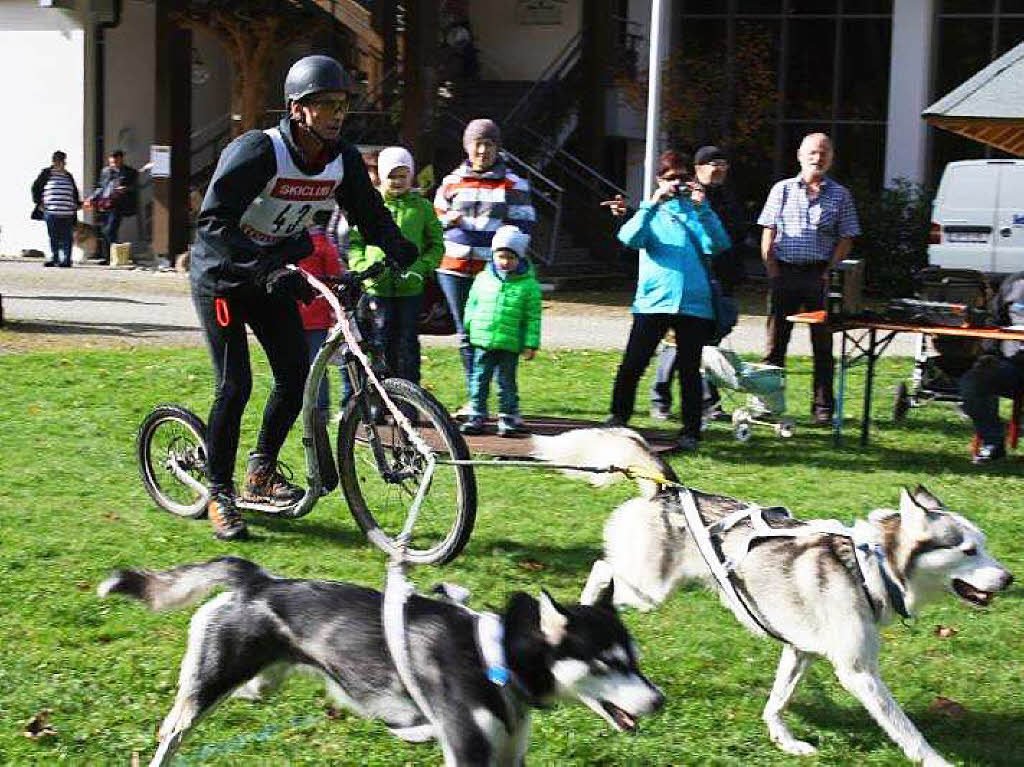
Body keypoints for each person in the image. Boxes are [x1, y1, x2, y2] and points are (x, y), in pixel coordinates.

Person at [190, 54, 418, 540]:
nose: (337, 114)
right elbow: (212, 224)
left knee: (295, 378)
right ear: (297, 109)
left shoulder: (343, 159)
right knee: (236, 386)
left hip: (275, 274)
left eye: (342, 105)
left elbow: (370, 213)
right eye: (325, 105)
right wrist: (263, 269)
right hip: (225, 278)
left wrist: (398, 246)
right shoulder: (258, 151)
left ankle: (260, 472)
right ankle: (219, 492)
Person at [606, 150, 731, 452]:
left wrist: (704, 211)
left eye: (682, 178)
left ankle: (691, 430)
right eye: (670, 178)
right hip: (653, 301)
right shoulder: (652, 211)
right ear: (660, 180)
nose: (677, 184)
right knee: (633, 363)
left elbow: (719, 244)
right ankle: (618, 418)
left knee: (689, 370)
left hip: (694, 304)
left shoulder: (698, 211)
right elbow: (629, 238)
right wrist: (652, 203)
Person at [757, 132, 860, 425]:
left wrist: (830, 271)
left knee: (823, 347)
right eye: (813, 152)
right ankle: (768, 405)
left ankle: (823, 409)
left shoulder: (841, 195)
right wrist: (772, 271)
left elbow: (847, 236)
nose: (818, 158)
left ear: (831, 158)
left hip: (820, 277)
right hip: (784, 273)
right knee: (775, 345)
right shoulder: (782, 190)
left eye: (824, 153)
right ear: (800, 156)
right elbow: (768, 230)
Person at [434, 118, 535, 409]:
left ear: (497, 148)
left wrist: (506, 255)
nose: (482, 151)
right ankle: (475, 397)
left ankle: (498, 396)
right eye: (477, 144)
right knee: (466, 334)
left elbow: (524, 226)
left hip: (491, 273)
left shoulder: (513, 183)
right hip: (452, 268)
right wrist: (445, 221)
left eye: (488, 145)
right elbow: (435, 219)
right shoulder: (452, 180)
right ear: (467, 147)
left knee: (488, 335)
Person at [648, 145, 747, 420]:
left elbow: (733, 237)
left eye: (724, 165)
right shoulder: (682, 197)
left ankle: (707, 401)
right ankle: (662, 396)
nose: (719, 170)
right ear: (699, 168)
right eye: (713, 164)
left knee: (708, 342)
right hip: (691, 278)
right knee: (676, 341)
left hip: (721, 277)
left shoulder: (727, 197)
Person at [349, 146, 443, 387]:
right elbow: (355, 243)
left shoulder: (421, 207)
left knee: (407, 346)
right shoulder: (371, 204)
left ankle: (410, 399)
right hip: (376, 288)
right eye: (392, 176)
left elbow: (436, 244)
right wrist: (362, 266)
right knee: (378, 344)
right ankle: (378, 399)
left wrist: (422, 267)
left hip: (409, 290)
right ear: (381, 176)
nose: (398, 181)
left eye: (403, 175)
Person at [460, 225, 541, 437]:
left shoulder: (528, 286)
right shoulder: (483, 279)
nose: (505, 262)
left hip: (510, 343)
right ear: (493, 255)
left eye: (511, 258)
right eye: (501, 256)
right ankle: (477, 414)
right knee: (479, 379)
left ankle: (508, 417)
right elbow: (472, 303)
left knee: (507, 383)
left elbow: (533, 317)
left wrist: (530, 343)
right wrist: (468, 326)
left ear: (520, 258)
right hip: (483, 340)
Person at [961, 271, 1024, 464]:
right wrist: (989, 353)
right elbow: (993, 322)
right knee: (974, 382)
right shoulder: (1015, 283)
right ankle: (993, 443)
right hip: (1013, 366)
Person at [297, 210, 346, 420]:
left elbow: (334, 275)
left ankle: (320, 410)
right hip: (291, 316)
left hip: (316, 317)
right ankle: (299, 407)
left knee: (317, 366)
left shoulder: (321, 243)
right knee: (293, 367)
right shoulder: (285, 243)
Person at [86, 149, 138, 265]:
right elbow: (100, 187)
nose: (113, 163)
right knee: (104, 231)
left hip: (117, 204)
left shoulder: (129, 172)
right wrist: (92, 198)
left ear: (121, 159)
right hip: (104, 204)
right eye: (111, 161)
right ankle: (108, 257)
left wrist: (125, 189)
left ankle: (114, 256)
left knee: (110, 230)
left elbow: (135, 187)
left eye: (116, 161)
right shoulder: (105, 171)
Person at [31, 151, 81, 268]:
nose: (62, 163)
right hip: (51, 211)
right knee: (54, 236)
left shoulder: (68, 175)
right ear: (54, 161)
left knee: (67, 236)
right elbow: (36, 187)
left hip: (67, 211)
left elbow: (74, 190)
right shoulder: (46, 173)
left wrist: (77, 203)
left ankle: (66, 260)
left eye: (63, 161)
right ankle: (55, 258)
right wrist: (39, 203)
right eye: (59, 161)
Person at [327, 147, 379, 258]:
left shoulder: (381, 205)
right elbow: (331, 234)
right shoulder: (345, 199)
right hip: (343, 267)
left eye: (370, 172)